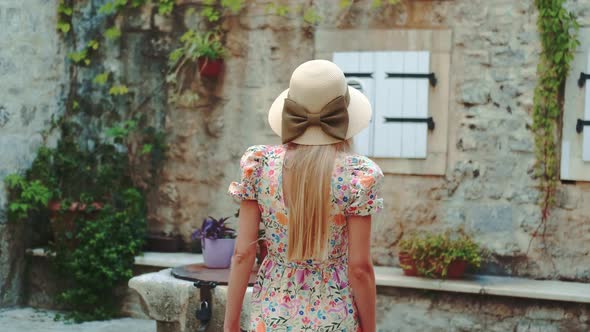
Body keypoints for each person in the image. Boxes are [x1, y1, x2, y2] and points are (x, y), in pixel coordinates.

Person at [224, 60, 384, 332]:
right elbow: (359, 268)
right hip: (334, 318)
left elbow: (242, 254)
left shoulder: (259, 164)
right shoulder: (358, 176)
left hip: (271, 316)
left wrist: (230, 326)